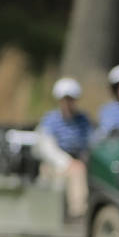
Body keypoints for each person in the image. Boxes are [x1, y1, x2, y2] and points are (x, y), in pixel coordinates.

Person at [34, 77, 92, 218]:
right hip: (54, 164)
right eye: (64, 99)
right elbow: (46, 148)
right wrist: (67, 163)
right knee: (77, 172)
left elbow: (91, 141)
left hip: (78, 161)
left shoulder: (83, 120)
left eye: (70, 99)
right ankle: (78, 214)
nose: (67, 103)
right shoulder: (51, 119)